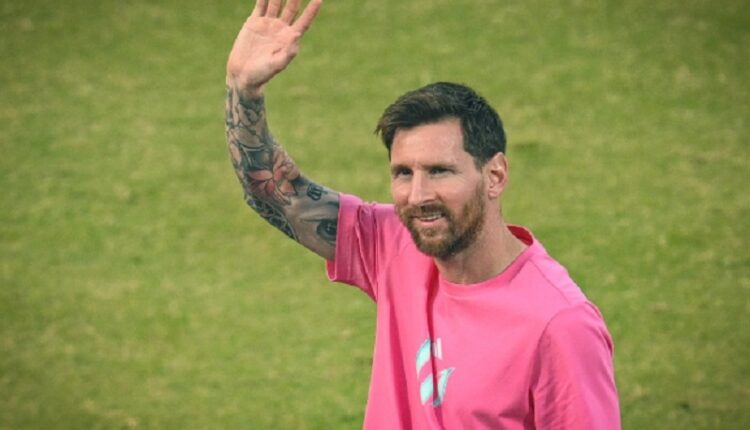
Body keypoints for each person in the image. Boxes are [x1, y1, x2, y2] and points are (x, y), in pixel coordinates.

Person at [224, 1, 621, 428]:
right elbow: (273, 193)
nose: (417, 197)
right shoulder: (393, 244)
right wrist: (243, 90)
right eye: (403, 173)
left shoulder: (560, 325)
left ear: (495, 175)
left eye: (439, 171)